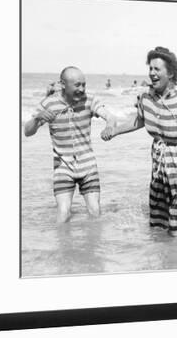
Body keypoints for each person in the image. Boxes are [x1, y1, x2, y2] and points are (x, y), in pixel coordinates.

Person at [101, 46, 177, 236]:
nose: (152, 73)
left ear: (171, 73)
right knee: (160, 225)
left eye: (157, 69)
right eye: (150, 68)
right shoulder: (146, 98)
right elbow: (139, 120)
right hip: (160, 165)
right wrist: (114, 130)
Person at [24, 66, 116, 223]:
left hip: (88, 166)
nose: (82, 89)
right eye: (77, 85)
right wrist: (38, 118)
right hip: (63, 167)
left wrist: (109, 126)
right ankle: (62, 246)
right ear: (63, 84)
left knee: (94, 211)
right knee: (63, 213)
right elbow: (27, 131)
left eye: (84, 84)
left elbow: (110, 117)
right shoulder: (49, 104)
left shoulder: (89, 100)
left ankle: (92, 246)